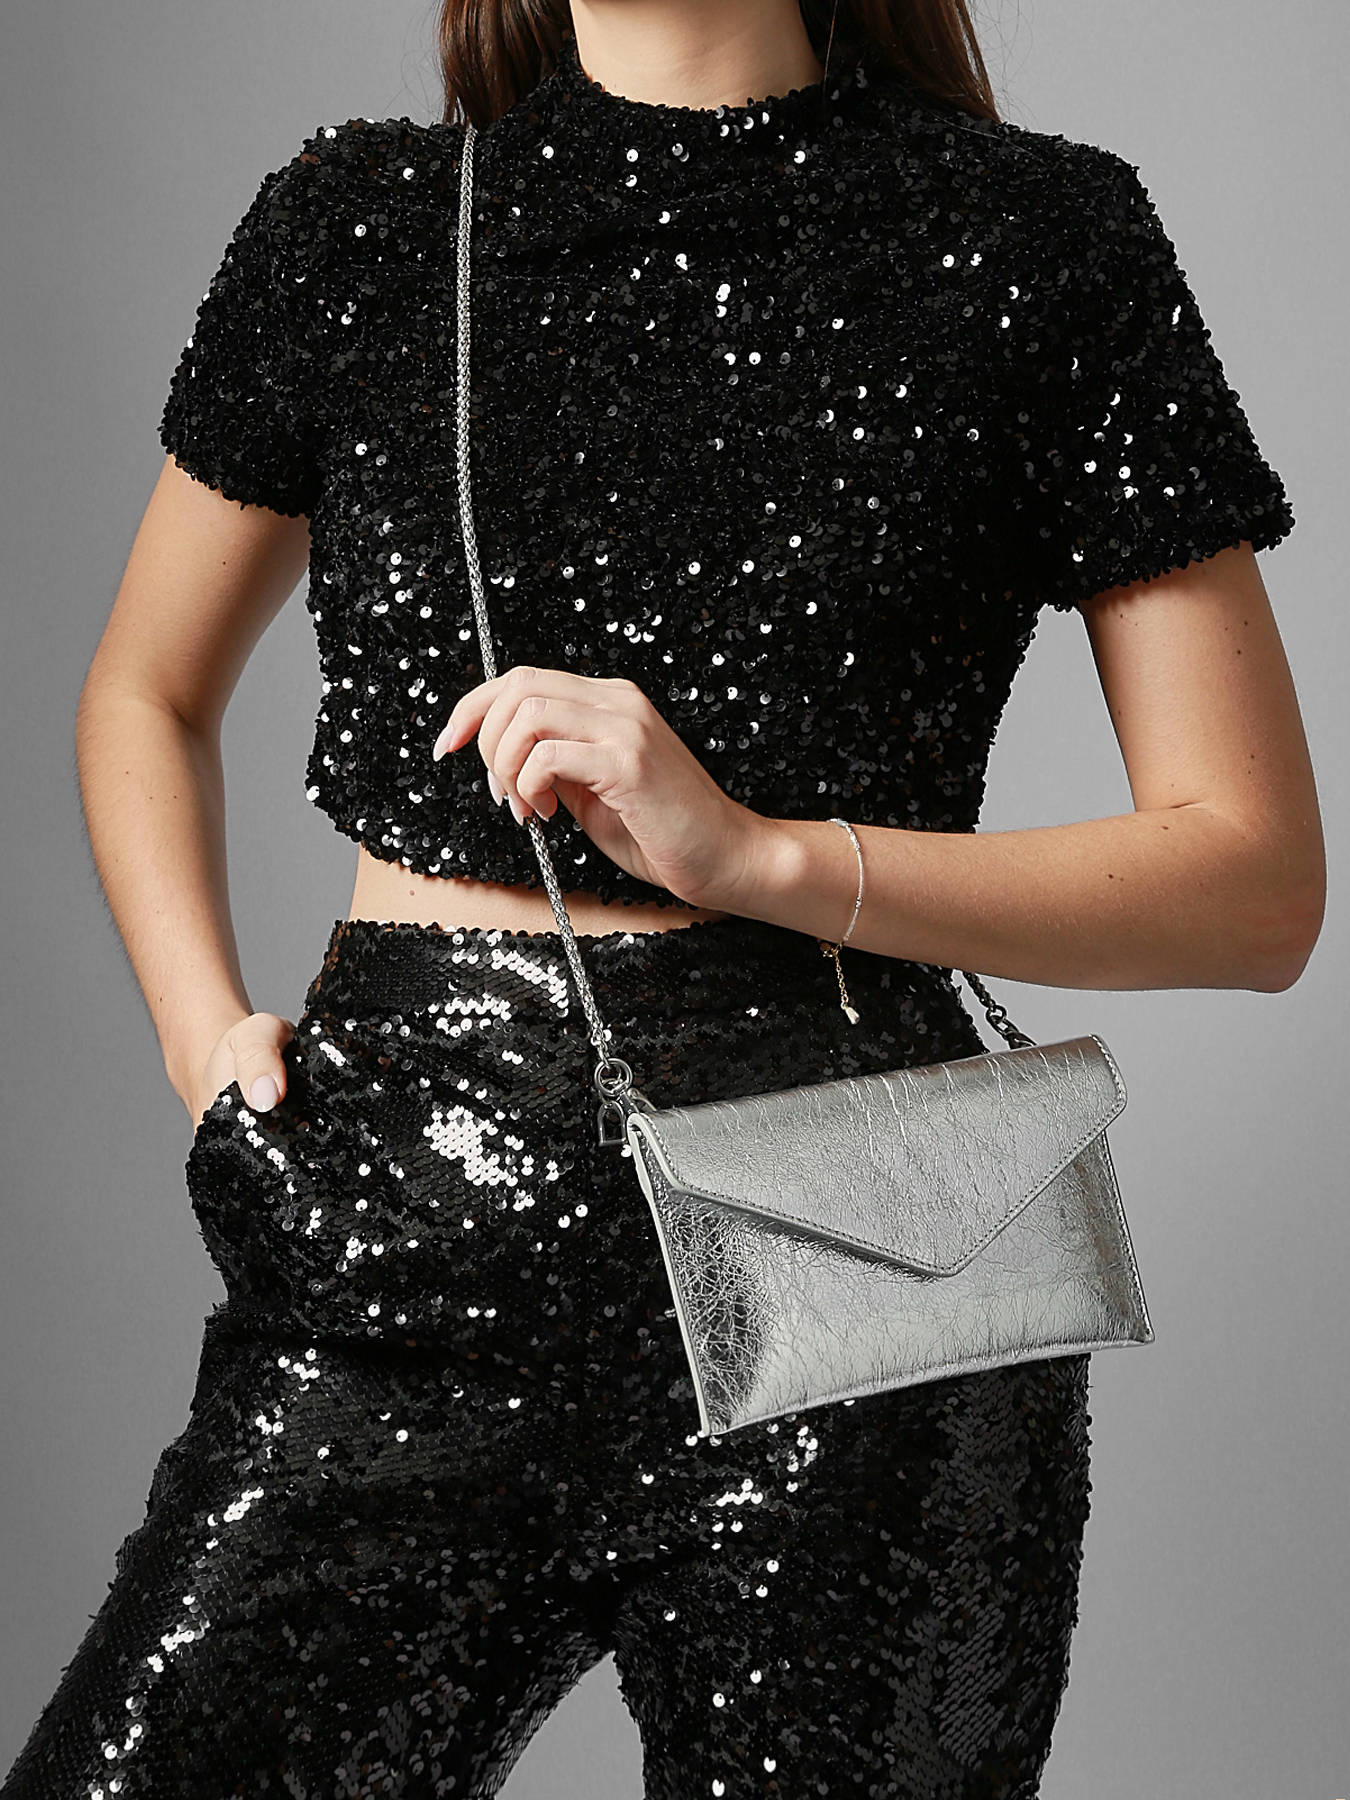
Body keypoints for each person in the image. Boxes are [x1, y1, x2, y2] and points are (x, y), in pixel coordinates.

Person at [1, 1, 1324, 1795]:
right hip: (406, 1224)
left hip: (865, 1287)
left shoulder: (1041, 235)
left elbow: (1252, 886)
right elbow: (144, 692)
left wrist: (752, 854)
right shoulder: (364, 222)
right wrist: (196, 1035)